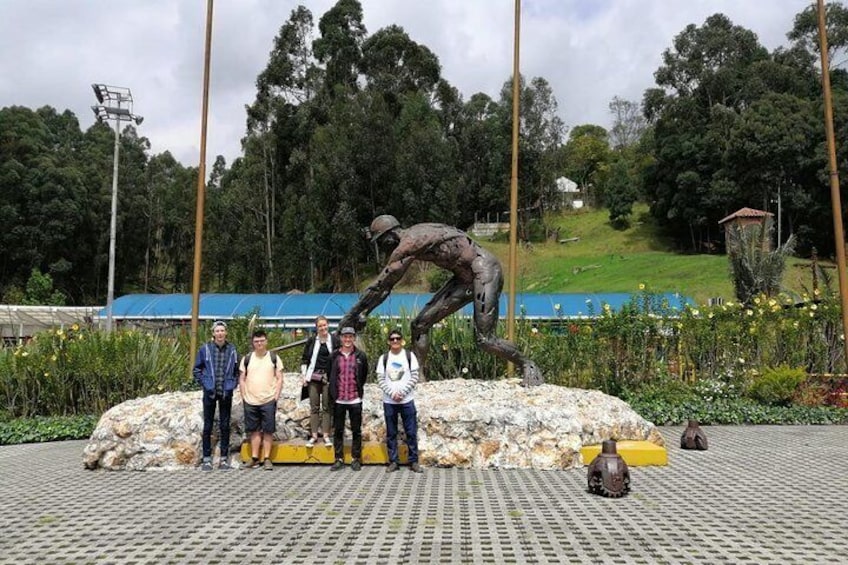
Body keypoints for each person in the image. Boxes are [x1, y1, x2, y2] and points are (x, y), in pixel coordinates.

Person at [338, 215, 543, 386]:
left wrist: (352, 315)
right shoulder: (413, 237)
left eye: (381, 241)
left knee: (485, 339)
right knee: (420, 324)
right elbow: (384, 288)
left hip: (486, 271)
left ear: (390, 235)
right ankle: (418, 377)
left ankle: (527, 364)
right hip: (465, 278)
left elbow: (383, 284)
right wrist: (362, 312)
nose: (382, 247)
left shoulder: (408, 244)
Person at [192, 320, 239, 471]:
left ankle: (224, 460)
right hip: (210, 393)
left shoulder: (232, 350)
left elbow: (237, 371)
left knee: (225, 426)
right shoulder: (205, 349)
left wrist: (233, 384)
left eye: (222, 331)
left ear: (226, 333)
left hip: (226, 392)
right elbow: (197, 370)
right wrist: (205, 383)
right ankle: (207, 459)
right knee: (208, 426)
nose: (220, 333)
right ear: (213, 333)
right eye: (217, 331)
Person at [376, 329, 423, 473]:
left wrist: (403, 392)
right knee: (391, 433)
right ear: (388, 341)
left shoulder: (409, 356)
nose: (395, 341)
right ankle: (393, 461)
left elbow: (415, 376)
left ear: (402, 340)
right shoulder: (383, 358)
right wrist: (391, 393)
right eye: (392, 339)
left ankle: (413, 461)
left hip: (407, 400)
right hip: (389, 401)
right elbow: (380, 378)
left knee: (411, 432)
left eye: (397, 338)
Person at [239, 329, 283, 470]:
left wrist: (276, 396)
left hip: (268, 400)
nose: (259, 343)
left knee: (268, 430)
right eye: (256, 341)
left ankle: (267, 458)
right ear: (253, 343)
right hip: (251, 400)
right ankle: (254, 458)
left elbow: (280, 377)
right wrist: (244, 395)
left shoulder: (273, 358)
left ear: (266, 341)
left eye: (262, 341)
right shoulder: (247, 359)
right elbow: (242, 378)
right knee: (254, 431)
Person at [327, 326, 368, 472]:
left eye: (350, 336)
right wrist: (334, 394)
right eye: (345, 337)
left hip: (354, 399)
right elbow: (331, 374)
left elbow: (363, 376)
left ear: (354, 338)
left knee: (356, 430)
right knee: (338, 430)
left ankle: (356, 458)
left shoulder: (360, 356)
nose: (347, 339)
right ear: (341, 338)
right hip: (339, 400)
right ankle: (338, 458)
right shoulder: (334, 356)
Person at [299, 315, 339, 448]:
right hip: (313, 377)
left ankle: (326, 435)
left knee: (327, 407)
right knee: (314, 407)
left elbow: (338, 357)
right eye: (320, 326)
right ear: (316, 328)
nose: (323, 328)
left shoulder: (334, 340)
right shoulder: (312, 341)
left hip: (328, 377)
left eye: (325, 325)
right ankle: (314, 435)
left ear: (328, 325)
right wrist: (304, 376)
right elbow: (305, 359)